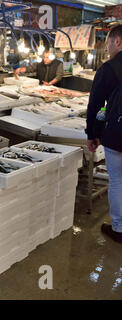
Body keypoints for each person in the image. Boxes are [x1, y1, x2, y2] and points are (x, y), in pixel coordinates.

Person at [85, 24, 122, 243]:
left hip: (117, 135)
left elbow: (96, 106)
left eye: (107, 42)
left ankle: (118, 228)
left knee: (117, 180)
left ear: (117, 41)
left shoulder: (108, 69)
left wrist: (93, 133)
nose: (106, 47)